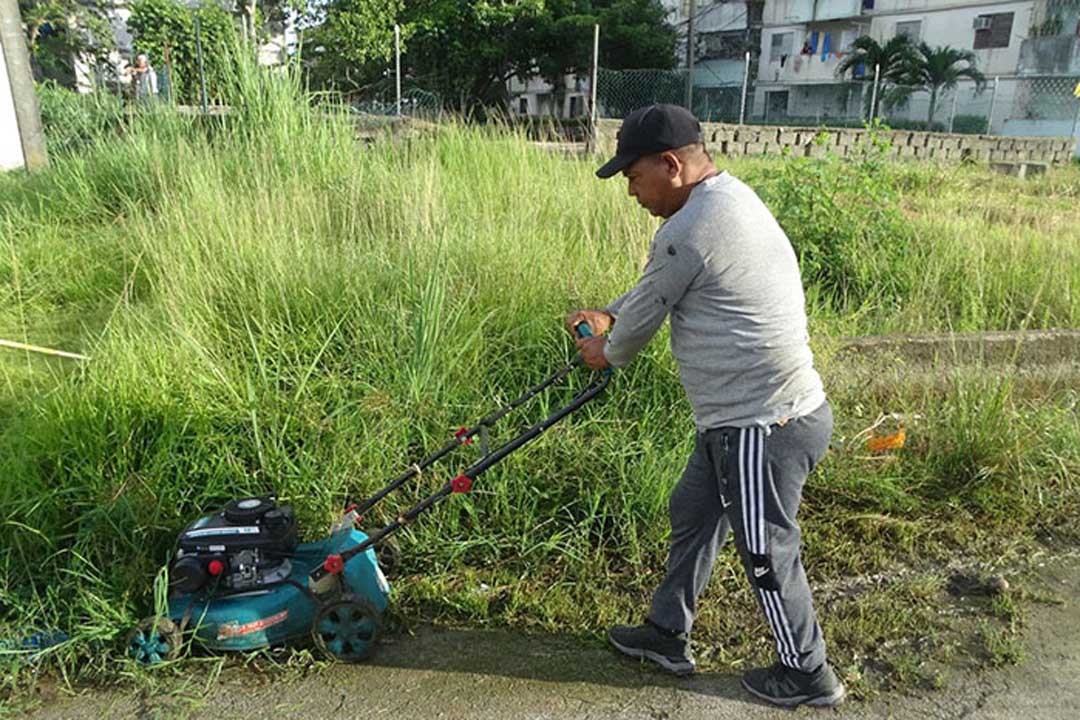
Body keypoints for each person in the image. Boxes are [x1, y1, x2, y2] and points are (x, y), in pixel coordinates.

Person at [565, 104, 845, 708]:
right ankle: (667, 633)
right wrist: (613, 313)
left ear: (670, 164)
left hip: (760, 424)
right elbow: (657, 291)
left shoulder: (689, 228)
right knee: (692, 512)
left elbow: (628, 337)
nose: (631, 192)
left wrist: (602, 347)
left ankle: (806, 673)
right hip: (744, 418)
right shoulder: (727, 199)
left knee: (766, 550)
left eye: (633, 177)